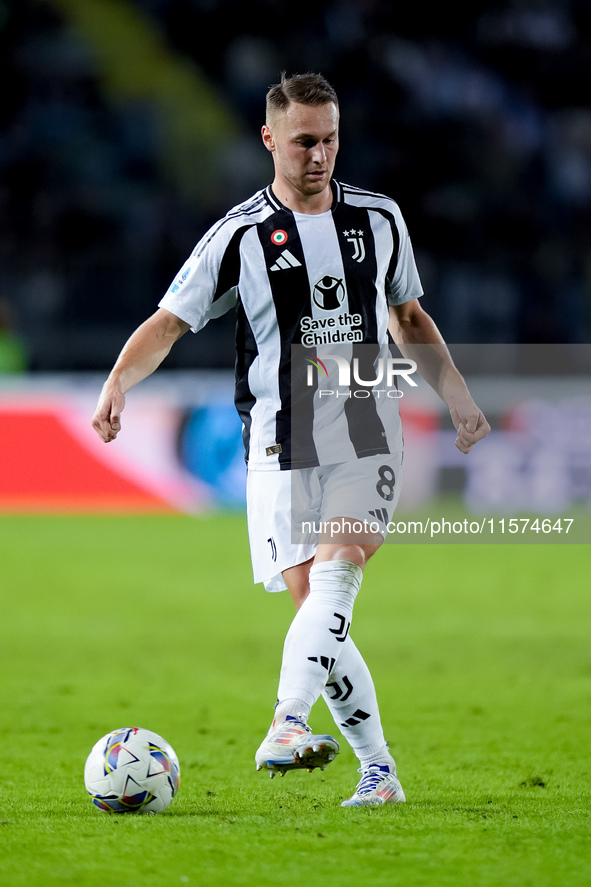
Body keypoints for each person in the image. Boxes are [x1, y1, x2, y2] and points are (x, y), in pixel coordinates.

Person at [92, 72, 490, 807]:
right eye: (305, 140)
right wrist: (119, 379)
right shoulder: (239, 235)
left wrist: (458, 397)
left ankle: (285, 720)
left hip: (366, 426)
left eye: (331, 139)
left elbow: (408, 317)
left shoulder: (378, 219)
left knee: (340, 565)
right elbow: (169, 322)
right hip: (279, 439)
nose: (320, 154)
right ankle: (380, 772)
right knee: (320, 616)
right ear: (270, 138)